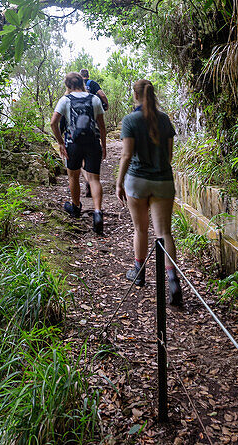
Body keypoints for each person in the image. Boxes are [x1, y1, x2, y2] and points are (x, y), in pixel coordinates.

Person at [116, 78, 181, 306]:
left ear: (135, 95)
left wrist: (119, 182)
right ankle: (173, 280)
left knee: (140, 229)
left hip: (138, 181)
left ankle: (139, 273)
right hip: (163, 179)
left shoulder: (130, 120)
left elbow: (126, 155)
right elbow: (169, 155)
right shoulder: (164, 120)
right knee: (164, 232)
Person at [51, 72, 106, 235]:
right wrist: (104, 145)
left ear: (68, 85)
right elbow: (102, 126)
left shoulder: (65, 100)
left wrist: (61, 142)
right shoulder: (94, 99)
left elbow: (53, 122)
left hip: (72, 144)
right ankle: (97, 213)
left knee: (73, 176)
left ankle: (75, 207)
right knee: (95, 179)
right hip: (92, 143)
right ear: (83, 83)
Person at [78, 69, 108, 198]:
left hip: (78, 124)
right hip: (92, 122)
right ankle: (91, 180)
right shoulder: (93, 83)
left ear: (80, 76)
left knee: (81, 159)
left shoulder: (76, 86)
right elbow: (101, 94)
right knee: (91, 152)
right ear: (88, 75)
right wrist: (106, 104)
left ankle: (87, 180)